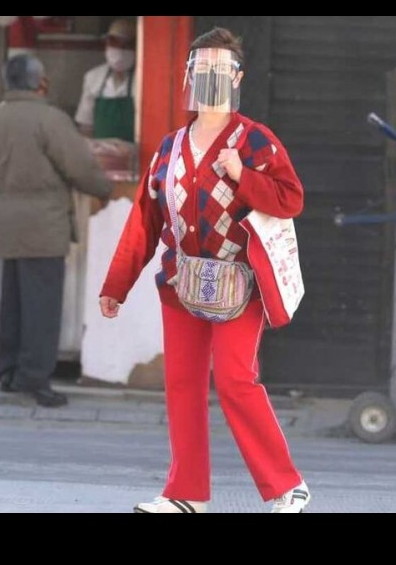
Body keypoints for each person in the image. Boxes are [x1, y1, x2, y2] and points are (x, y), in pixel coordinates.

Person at [99, 28, 310, 513]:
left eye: (220, 69)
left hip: (241, 282)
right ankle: (186, 494)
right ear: (189, 75)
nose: (210, 77)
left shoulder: (255, 141)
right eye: (202, 69)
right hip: (181, 281)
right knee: (182, 385)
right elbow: (144, 220)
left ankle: (287, 486)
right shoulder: (170, 147)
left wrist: (243, 176)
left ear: (237, 77)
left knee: (235, 380)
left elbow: (291, 199)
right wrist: (117, 285)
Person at [0, 54, 112, 408]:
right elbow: (81, 167)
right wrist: (104, 190)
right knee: (42, 307)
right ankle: (35, 378)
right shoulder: (51, 120)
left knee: (14, 303)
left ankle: (9, 371)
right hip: (45, 225)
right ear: (40, 82)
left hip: (7, 226)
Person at [75, 18, 137, 142]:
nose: (119, 50)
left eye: (126, 45)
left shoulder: (144, 80)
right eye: (113, 42)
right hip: (100, 152)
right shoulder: (93, 77)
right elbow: (85, 127)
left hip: (136, 152)